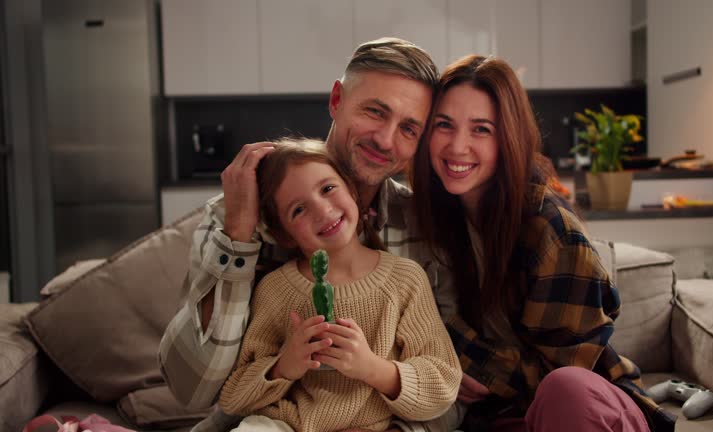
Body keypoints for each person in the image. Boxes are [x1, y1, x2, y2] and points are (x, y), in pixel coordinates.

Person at [158, 38, 447, 432]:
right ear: (336, 99)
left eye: (408, 129)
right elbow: (193, 391)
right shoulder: (238, 219)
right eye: (375, 111)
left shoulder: (420, 226)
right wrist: (240, 235)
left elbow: (445, 388)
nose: (384, 140)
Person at [411, 55, 676, 432]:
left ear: (509, 138)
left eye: (481, 129)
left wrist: (462, 361)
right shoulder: (431, 220)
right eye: (444, 125)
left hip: (581, 408)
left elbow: (565, 370)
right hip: (503, 417)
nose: (458, 146)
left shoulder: (550, 228)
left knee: (564, 389)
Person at [217, 139, 460, 432]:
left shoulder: (405, 279)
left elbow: (443, 383)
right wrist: (284, 366)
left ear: (352, 191)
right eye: (298, 210)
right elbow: (233, 399)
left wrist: (372, 368)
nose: (322, 210)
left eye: (327, 189)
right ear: (285, 235)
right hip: (287, 425)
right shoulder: (275, 289)